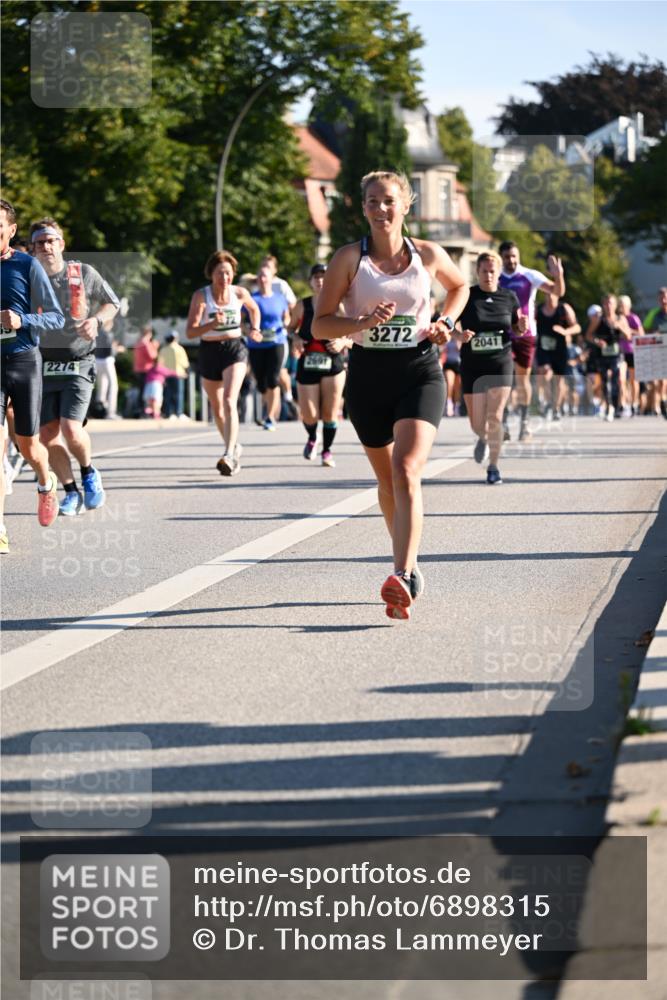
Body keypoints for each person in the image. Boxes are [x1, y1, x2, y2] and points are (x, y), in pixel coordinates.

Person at [313, 170, 469, 620]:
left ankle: (401, 573)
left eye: (389, 201)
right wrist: (361, 323)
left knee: (406, 469)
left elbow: (459, 287)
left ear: (406, 205)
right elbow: (320, 325)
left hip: (419, 370)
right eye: (372, 201)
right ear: (363, 207)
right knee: (387, 482)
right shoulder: (348, 259)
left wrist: (447, 323)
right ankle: (411, 561)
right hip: (367, 376)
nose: (381, 209)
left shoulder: (429, 254)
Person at [30, 217, 119, 516]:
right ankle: (70, 491)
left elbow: (112, 303)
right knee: (46, 434)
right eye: (40, 242)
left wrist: (96, 320)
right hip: (42, 364)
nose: (46, 246)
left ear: (62, 244)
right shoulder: (27, 277)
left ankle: (89, 472)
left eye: (51, 240)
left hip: (79, 362)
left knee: (70, 428)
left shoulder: (82, 273)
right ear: (33, 248)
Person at [0, 200, 65, 553]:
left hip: (23, 359)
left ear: (11, 231)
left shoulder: (27, 266)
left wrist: (22, 320)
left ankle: (45, 480)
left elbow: (56, 317)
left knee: (29, 446)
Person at [186, 250, 261, 475]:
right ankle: (233, 445)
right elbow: (190, 332)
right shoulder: (201, 296)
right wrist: (211, 325)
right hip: (209, 350)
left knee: (230, 400)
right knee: (217, 409)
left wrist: (255, 329)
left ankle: (229, 455)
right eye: (220, 273)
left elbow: (254, 309)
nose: (224, 278)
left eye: (228, 273)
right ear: (211, 274)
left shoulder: (239, 293)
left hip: (234, 348)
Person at [457, 252, 526, 485]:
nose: (488, 275)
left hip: (500, 361)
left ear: (498, 274)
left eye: (492, 271)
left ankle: (494, 467)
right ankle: (484, 438)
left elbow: (516, 328)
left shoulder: (509, 297)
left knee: (494, 416)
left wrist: (522, 328)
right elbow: (446, 324)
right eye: (484, 271)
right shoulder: (466, 296)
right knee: (477, 424)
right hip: (472, 363)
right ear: (477, 272)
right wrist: (460, 335)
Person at [498, 241, 565, 441]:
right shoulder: (496, 277)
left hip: (526, 336)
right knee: (504, 379)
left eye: (513, 256)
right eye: (507, 256)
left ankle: (524, 424)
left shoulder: (529, 275)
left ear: (518, 256)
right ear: (501, 258)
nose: (511, 260)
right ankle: (504, 423)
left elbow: (557, 292)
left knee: (522, 380)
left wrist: (558, 275)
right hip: (503, 334)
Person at [291, 263, 351, 467]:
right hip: (308, 360)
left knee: (329, 412)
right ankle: (312, 437)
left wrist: (343, 341)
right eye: (316, 277)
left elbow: (357, 332)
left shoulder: (340, 305)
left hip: (333, 361)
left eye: (324, 277)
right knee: (309, 413)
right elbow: (289, 329)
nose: (320, 281)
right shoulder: (302, 305)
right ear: (310, 281)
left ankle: (327, 451)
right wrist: (295, 339)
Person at [249, 264, 291, 431]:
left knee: (273, 378)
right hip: (257, 344)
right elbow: (244, 318)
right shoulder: (252, 298)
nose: (262, 279)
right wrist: (249, 330)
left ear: (271, 278)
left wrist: (285, 325)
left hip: (277, 342)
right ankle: (270, 410)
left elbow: (286, 316)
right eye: (259, 276)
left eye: (265, 275)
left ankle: (270, 416)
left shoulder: (280, 298)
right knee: (260, 382)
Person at [535, 292, 580, 421]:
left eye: (552, 294)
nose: (549, 297)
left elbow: (577, 327)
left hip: (560, 349)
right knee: (545, 371)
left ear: (558, 295)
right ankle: (545, 401)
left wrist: (565, 331)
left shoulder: (564, 309)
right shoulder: (538, 309)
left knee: (559, 380)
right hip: (543, 347)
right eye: (547, 294)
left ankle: (556, 408)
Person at [585, 294, 630, 422]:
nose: (608, 306)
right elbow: (588, 335)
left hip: (616, 354)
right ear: (603, 306)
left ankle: (616, 406)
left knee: (617, 379)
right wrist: (597, 341)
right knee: (605, 379)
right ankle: (609, 407)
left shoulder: (621, 318)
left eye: (610, 303)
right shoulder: (598, 319)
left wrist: (619, 326)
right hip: (602, 354)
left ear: (615, 305)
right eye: (606, 303)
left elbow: (628, 336)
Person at [643, 287, 667, 418]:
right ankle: (660, 404)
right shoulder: (654, 313)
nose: (663, 300)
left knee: (664, 382)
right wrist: (653, 334)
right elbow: (644, 330)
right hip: (658, 351)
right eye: (661, 298)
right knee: (660, 381)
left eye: (665, 297)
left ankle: (662, 402)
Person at [617, 295, 643, 416]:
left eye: (623, 305)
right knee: (621, 379)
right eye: (620, 304)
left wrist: (628, 330)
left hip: (632, 351)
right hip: (621, 352)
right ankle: (623, 404)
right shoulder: (617, 318)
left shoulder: (633, 318)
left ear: (628, 306)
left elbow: (641, 333)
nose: (621, 307)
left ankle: (634, 403)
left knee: (633, 380)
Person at [158, 331, 190, 418]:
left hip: (166, 375)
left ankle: (168, 413)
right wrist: (186, 371)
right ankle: (178, 412)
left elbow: (160, 364)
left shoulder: (163, 349)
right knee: (178, 394)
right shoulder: (179, 349)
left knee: (167, 394)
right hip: (178, 374)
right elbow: (185, 363)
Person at [94, 316, 120, 419]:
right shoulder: (109, 334)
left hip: (97, 360)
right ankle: (111, 412)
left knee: (102, 387)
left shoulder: (97, 334)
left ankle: (99, 410)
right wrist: (117, 349)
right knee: (113, 386)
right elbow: (110, 351)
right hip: (107, 361)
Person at [132, 324, 159, 399]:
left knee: (141, 389)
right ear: (149, 333)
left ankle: (140, 407)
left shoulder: (138, 342)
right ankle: (143, 408)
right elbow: (152, 356)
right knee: (145, 390)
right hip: (146, 369)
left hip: (138, 368)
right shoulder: (146, 344)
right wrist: (155, 347)